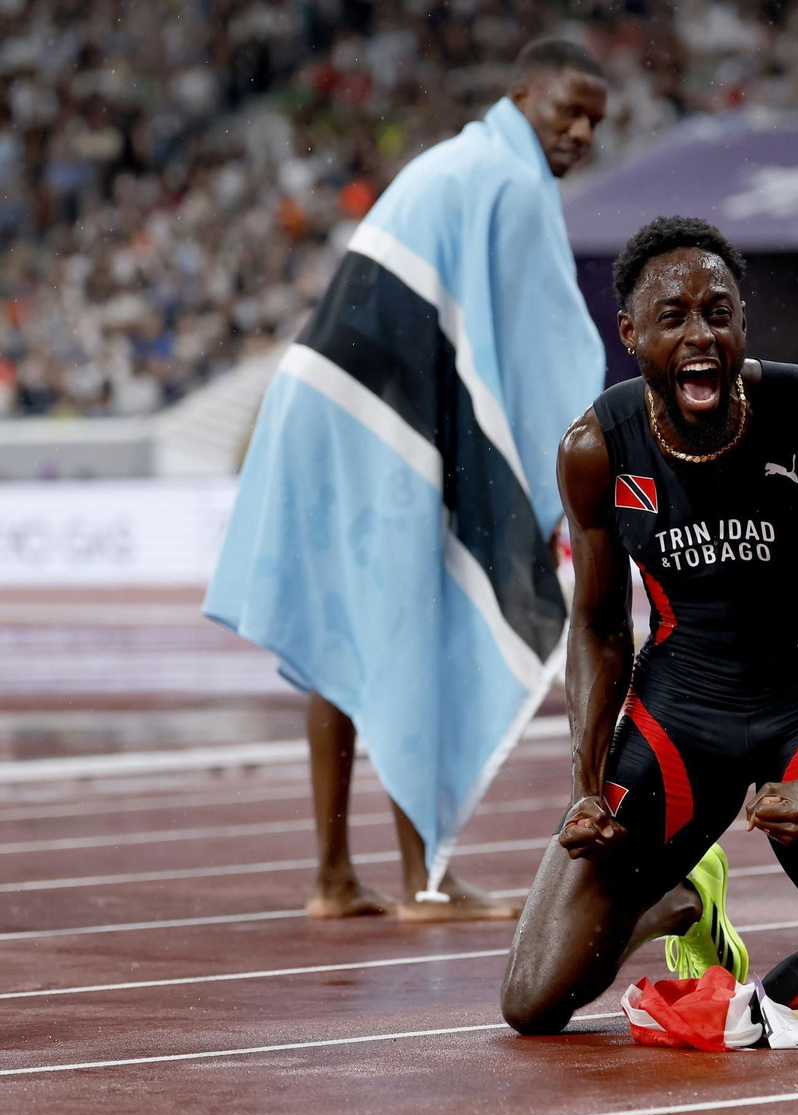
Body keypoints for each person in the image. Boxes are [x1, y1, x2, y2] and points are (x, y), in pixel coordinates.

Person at [499, 216, 798, 1034]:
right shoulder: (596, 449)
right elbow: (601, 624)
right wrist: (584, 787)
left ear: (744, 323)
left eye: (719, 311)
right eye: (672, 317)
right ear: (631, 333)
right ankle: (676, 893)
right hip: (679, 715)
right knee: (532, 998)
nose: (700, 334)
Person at [205, 40, 609, 921]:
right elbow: (540, 356)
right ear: (520, 95)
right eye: (566, 110)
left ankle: (334, 876)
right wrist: (557, 490)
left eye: (593, 120)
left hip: (324, 400)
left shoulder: (457, 159)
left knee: (353, 626)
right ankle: (427, 879)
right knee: (412, 624)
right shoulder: (506, 181)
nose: (579, 131)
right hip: (377, 418)